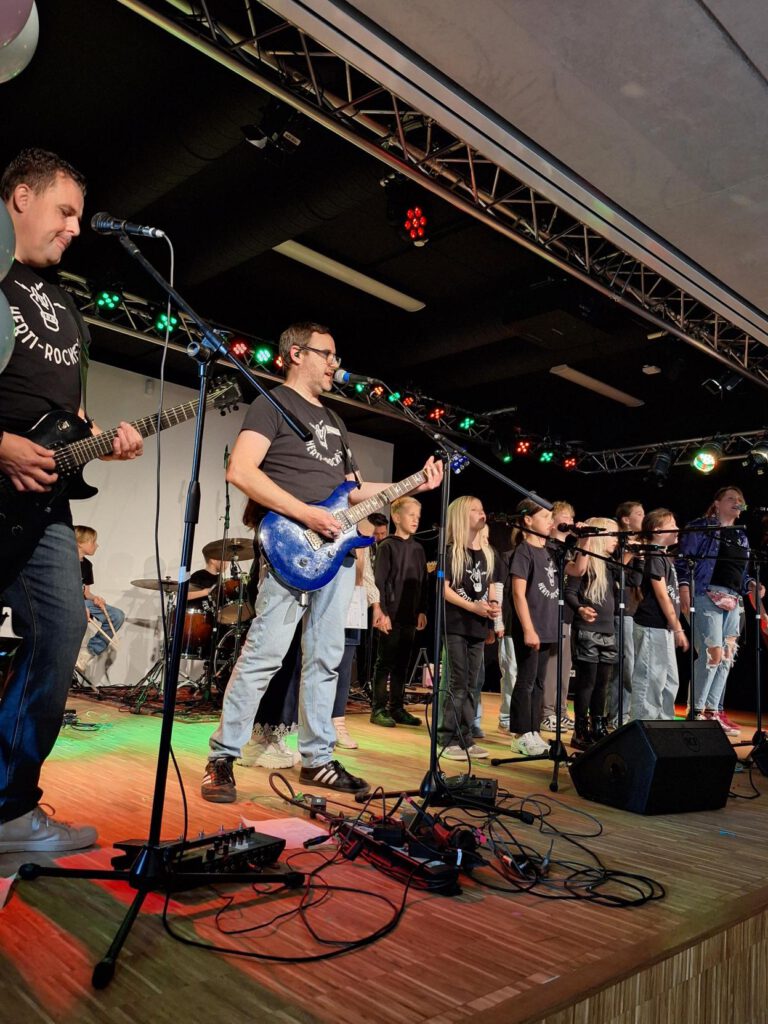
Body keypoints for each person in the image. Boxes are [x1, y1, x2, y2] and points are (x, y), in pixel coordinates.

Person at [201, 321, 442, 801]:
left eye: (336, 356)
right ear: (296, 353)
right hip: (290, 543)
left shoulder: (335, 419)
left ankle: (317, 759)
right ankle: (222, 757)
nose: (335, 364)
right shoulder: (271, 404)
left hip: (334, 556)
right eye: (327, 354)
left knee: (326, 660)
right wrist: (306, 513)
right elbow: (240, 470)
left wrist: (415, 481)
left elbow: (353, 491)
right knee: (264, 655)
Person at [0, 148, 143, 853]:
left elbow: (70, 416)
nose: (76, 228)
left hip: (45, 508)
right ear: (21, 198)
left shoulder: (66, 305)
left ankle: (9, 810)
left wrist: (98, 442)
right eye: (66, 211)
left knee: (60, 634)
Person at [677, 486, 760, 736]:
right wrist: (684, 589)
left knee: (727, 656)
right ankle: (696, 711)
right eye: (731, 498)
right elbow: (683, 560)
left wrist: (751, 584)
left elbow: (740, 572)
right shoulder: (701, 527)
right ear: (717, 503)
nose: (737, 502)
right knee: (711, 654)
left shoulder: (741, 536)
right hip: (705, 594)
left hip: (733, 599)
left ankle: (713, 711)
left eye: (740, 499)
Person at [438, 495, 501, 760]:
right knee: (458, 681)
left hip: (478, 625)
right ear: (461, 516)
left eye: (482, 508)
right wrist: (472, 607)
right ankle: (448, 737)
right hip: (455, 624)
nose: (481, 513)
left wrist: (493, 607)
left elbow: (491, 586)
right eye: (475, 510)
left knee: (473, 683)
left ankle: (466, 736)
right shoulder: (450, 551)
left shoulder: (488, 553)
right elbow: (444, 590)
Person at [370, 496, 428, 727]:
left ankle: (397, 707)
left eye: (418, 516)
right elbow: (380, 582)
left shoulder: (418, 549)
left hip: (409, 614)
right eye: (411, 515)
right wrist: (382, 612)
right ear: (396, 517)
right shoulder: (387, 546)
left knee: (403, 662)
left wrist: (421, 610)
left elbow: (423, 582)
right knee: (385, 661)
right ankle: (378, 708)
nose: (416, 520)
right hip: (390, 614)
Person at [507, 499, 558, 757]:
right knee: (526, 680)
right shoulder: (524, 551)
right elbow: (518, 593)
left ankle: (533, 730)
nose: (551, 521)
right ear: (528, 520)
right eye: (546, 516)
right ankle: (520, 734)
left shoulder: (550, 551)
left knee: (539, 682)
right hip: (531, 626)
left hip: (547, 626)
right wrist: (528, 628)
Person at [564, 519, 620, 749]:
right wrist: (580, 609)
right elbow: (569, 591)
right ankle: (580, 729)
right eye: (613, 535)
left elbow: (633, 580)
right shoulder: (584, 562)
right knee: (587, 682)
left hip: (608, 631)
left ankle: (598, 725)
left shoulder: (611, 565)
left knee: (603, 683)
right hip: (587, 631)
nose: (616, 540)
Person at [630, 509, 688, 721]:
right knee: (650, 679)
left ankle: (664, 725)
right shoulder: (654, 556)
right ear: (657, 530)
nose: (677, 528)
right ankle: (643, 724)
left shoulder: (663, 557)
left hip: (664, 628)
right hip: (652, 625)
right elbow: (662, 596)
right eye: (672, 524)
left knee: (670, 681)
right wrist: (678, 628)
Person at [540, 501, 578, 732]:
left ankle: (561, 711)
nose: (570, 521)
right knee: (552, 666)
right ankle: (546, 712)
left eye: (572, 517)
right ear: (552, 522)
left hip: (568, 615)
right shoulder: (546, 547)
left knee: (565, 666)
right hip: (551, 612)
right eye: (565, 517)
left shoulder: (570, 549)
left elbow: (578, 572)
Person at [607, 500, 644, 728]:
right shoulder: (614, 542)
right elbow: (612, 572)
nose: (643, 517)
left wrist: (640, 555)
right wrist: (630, 554)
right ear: (626, 519)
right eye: (639, 514)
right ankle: (616, 714)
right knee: (623, 664)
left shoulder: (640, 544)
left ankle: (624, 712)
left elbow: (637, 579)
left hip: (634, 610)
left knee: (631, 664)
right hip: (617, 609)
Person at [74, 525, 126, 675]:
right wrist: (78, 606)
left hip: (82, 602)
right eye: (93, 541)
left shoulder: (87, 565)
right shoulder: (65, 562)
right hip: (67, 603)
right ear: (80, 543)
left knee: (117, 615)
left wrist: (95, 598)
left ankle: (87, 653)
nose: (97, 545)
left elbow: (86, 592)